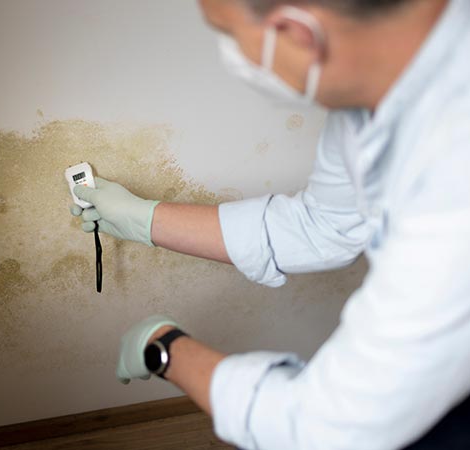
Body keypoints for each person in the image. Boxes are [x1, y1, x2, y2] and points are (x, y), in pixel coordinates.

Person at [69, 0, 470, 448]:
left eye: (226, 31)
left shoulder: (454, 167)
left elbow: (324, 431)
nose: (231, 52)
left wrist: (163, 348)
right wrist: (144, 218)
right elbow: (322, 224)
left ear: (296, 32)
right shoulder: (369, 98)